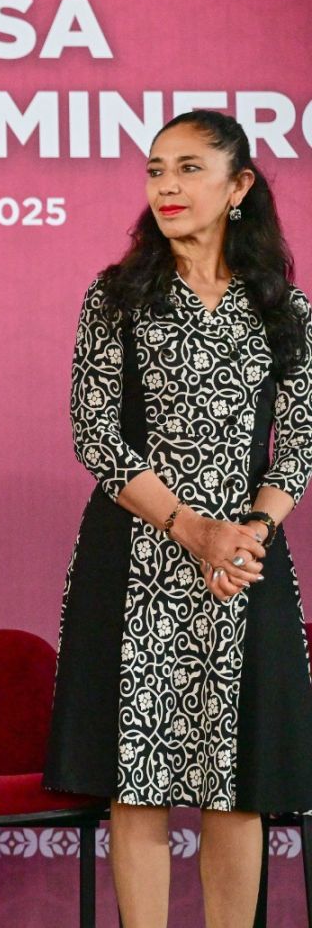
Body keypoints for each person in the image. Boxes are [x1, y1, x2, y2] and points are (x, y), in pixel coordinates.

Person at [46, 109, 312, 927]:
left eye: (189, 168)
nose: (166, 185)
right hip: (136, 554)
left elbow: (300, 440)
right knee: (139, 780)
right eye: (156, 169)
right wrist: (194, 531)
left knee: (239, 787)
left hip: (246, 565)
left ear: (239, 186)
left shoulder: (284, 308)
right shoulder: (118, 296)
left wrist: (248, 535)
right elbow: (96, 432)